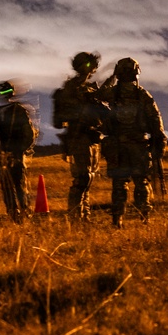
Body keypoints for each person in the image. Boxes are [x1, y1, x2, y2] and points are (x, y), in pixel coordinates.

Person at [99, 58, 166, 228]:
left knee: (119, 183)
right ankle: (144, 218)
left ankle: (117, 220)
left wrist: (111, 77)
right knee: (141, 182)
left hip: (118, 146)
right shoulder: (143, 94)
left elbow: (99, 94)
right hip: (139, 145)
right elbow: (155, 119)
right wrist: (159, 142)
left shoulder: (112, 93)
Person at [52, 51, 109, 221]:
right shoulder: (70, 89)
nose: (89, 68)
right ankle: (75, 216)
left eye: (91, 65)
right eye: (86, 64)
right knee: (82, 178)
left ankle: (84, 216)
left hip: (92, 137)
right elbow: (59, 120)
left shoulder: (91, 89)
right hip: (78, 137)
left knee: (89, 177)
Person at [0, 80, 38, 223]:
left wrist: (18, 152)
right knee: (8, 186)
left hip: (15, 155)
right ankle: (13, 213)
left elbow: (29, 135)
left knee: (18, 185)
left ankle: (23, 211)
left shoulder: (18, 111)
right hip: (3, 157)